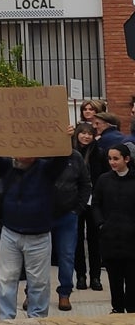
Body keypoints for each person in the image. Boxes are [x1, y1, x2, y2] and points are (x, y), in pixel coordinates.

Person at [0, 149, 70, 320]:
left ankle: (37, 321)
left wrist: (66, 138)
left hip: (39, 236)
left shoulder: (47, 169)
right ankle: (6, 320)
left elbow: (63, 156)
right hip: (10, 233)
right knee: (6, 279)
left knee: (39, 283)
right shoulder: (7, 167)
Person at [92, 142, 135, 313]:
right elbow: (95, 204)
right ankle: (116, 309)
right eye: (110, 159)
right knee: (114, 278)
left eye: (116, 159)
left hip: (132, 240)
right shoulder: (104, 180)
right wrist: (101, 223)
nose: (112, 162)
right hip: (110, 238)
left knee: (132, 280)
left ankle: (132, 312)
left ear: (126, 159)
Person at [50, 133, 90, 311]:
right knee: (37, 258)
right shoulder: (43, 157)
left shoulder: (76, 157)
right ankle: (33, 292)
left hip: (68, 215)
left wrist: (77, 209)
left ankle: (65, 293)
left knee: (67, 256)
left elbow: (85, 184)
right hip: (43, 215)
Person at [74, 122, 104, 292]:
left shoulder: (98, 153)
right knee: (77, 239)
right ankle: (80, 275)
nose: (86, 136)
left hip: (95, 201)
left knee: (94, 240)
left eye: (90, 134)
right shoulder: (71, 153)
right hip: (76, 201)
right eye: (83, 133)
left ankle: (95, 276)